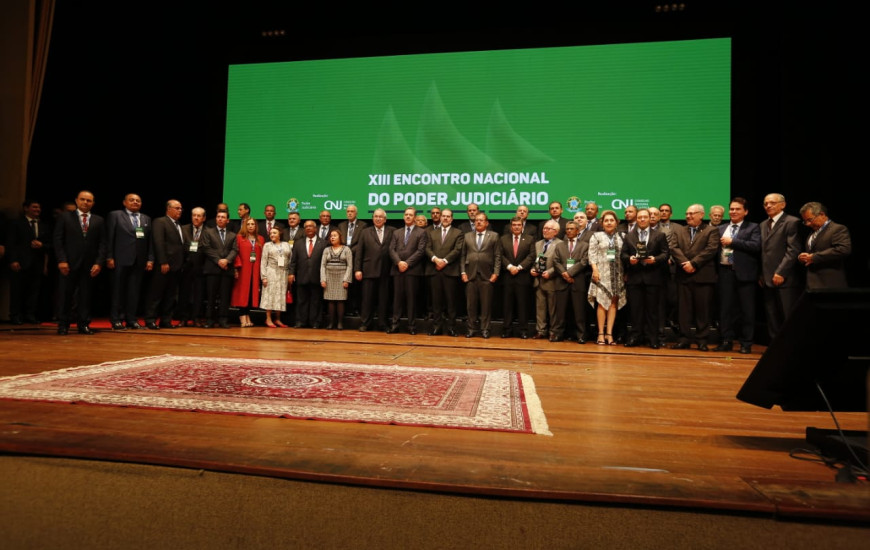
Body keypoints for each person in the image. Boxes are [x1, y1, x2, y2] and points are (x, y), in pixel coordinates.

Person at [53, 190, 106, 335]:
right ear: (76, 200)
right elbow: (58, 240)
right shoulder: (65, 217)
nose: (85, 202)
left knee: (86, 296)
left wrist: (99, 263)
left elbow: (103, 243)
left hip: (89, 264)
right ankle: (63, 325)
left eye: (89, 200)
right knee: (65, 294)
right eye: (82, 199)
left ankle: (83, 324)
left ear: (93, 203)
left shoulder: (99, 220)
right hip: (68, 263)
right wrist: (62, 260)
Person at [669, 204, 720, 351]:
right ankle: (683, 339)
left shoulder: (711, 230)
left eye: (692, 213)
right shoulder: (680, 230)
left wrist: (694, 263)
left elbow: (711, 249)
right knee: (683, 311)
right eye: (687, 213)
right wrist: (685, 263)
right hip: (683, 275)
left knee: (703, 310)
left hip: (703, 276)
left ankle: (702, 340)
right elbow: (673, 247)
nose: (688, 216)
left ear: (701, 215)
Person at [715, 198, 761, 354]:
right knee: (725, 309)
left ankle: (746, 343)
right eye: (731, 209)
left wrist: (733, 241)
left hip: (745, 273)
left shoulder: (753, 227)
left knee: (747, 310)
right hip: (725, 271)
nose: (733, 212)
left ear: (745, 211)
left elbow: (756, 246)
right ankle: (726, 340)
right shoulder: (721, 228)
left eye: (737, 209)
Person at [621, 209, 669, 349]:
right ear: (636, 219)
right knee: (635, 310)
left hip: (653, 277)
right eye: (640, 217)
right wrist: (629, 259)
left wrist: (655, 259)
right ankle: (635, 336)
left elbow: (666, 254)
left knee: (652, 311)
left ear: (650, 218)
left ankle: (652, 338)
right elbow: (623, 255)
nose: (642, 219)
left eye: (645, 217)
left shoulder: (659, 235)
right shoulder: (629, 236)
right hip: (635, 278)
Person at [106, 193, 153, 330]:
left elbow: (149, 241)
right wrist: (109, 257)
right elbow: (109, 237)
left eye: (138, 200)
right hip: (120, 259)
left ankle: (131, 319)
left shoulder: (146, 218)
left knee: (134, 292)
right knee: (118, 291)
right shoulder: (115, 215)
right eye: (131, 200)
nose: (135, 202)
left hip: (139, 261)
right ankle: (116, 319)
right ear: (124, 202)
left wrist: (150, 259)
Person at [760, 193, 803, 339]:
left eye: (772, 203)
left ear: (783, 205)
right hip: (767, 279)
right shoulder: (763, 224)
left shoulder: (792, 222)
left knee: (787, 315)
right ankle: (775, 347)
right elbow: (764, 252)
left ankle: (790, 346)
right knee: (771, 316)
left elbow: (793, 250)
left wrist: (781, 272)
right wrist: (762, 273)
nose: (768, 206)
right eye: (766, 203)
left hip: (785, 279)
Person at [144, 200, 186, 329]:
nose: (180, 210)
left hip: (176, 266)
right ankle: (150, 320)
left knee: (170, 295)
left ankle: (166, 320)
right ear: (168, 209)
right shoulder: (160, 221)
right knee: (156, 294)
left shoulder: (178, 224)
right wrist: (163, 261)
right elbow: (159, 242)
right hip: (164, 265)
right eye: (177, 208)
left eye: (181, 208)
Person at [7, 200, 51, 325]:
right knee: (17, 290)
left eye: (39, 207)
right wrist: (13, 260)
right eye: (34, 207)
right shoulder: (17, 223)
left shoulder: (43, 225)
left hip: (37, 263)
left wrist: (42, 245)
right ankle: (15, 315)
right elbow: (11, 243)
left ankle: (30, 315)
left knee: (33, 291)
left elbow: (50, 244)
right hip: (20, 262)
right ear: (26, 208)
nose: (37, 209)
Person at [587, 210, 625, 345]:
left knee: (614, 303)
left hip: (618, 275)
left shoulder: (622, 236)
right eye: (606, 220)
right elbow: (592, 255)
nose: (609, 223)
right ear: (602, 223)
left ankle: (609, 333)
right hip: (601, 274)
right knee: (602, 303)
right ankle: (600, 334)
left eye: (611, 220)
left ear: (616, 223)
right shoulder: (596, 236)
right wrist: (595, 270)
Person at [387, 207, 427, 334]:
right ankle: (395, 324)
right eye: (406, 214)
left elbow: (421, 251)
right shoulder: (396, 232)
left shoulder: (421, 232)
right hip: (397, 269)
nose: (408, 216)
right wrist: (399, 262)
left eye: (410, 215)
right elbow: (391, 249)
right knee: (397, 299)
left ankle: (411, 326)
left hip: (412, 270)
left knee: (411, 299)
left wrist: (407, 263)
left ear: (415, 217)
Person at [461, 212, 501, 339]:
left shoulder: (494, 236)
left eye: (481, 220)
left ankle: (485, 329)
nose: (478, 222)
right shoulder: (467, 236)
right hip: (470, 275)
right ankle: (471, 329)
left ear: (486, 223)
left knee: (486, 305)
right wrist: (463, 272)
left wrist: (496, 273)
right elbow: (462, 255)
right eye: (476, 220)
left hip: (487, 275)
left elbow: (497, 256)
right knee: (470, 305)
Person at [354, 208, 395, 332]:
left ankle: (383, 323)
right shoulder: (365, 232)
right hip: (368, 270)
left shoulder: (392, 231)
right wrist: (357, 269)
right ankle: (365, 323)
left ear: (385, 219)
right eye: (375, 216)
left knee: (384, 300)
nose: (378, 218)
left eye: (380, 217)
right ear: (372, 219)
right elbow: (359, 252)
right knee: (367, 299)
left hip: (386, 271)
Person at [425, 208, 463, 336]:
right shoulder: (431, 233)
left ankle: (451, 327)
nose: (445, 218)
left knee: (451, 302)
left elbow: (457, 250)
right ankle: (437, 327)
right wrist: (436, 260)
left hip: (450, 271)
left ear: (452, 219)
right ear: (440, 218)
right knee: (436, 302)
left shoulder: (458, 233)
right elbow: (427, 248)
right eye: (443, 216)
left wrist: (445, 261)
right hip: (434, 270)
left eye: (448, 216)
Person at [798, 202, 851, 290]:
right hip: (812, 284)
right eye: (805, 221)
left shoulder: (837, 229)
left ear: (822, 214)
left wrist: (814, 257)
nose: (807, 224)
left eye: (810, 220)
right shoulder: (812, 233)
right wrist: (803, 258)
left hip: (830, 284)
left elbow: (843, 249)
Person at [498, 216, 536, 338]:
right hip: (507, 276)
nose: (516, 227)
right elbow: (500, 255)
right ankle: (507, 330)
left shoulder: (530, 239)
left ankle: (523, 330)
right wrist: (510, 267)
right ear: (510, 226)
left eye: (518, 225)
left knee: (523, 305)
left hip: (522, 276)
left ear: (522, 226)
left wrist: (519, 267)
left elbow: (531, 256)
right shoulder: (503, 239)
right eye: (514, 225)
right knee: (507, 305)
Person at [553, 221, 591, 343]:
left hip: (577, 281)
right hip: (561, 281)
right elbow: (555, 261)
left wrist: (569, 273)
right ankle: (558, 334)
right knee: (560, 311)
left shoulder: (585, 245)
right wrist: (564, 274)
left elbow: (584, 262)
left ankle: (581, 335)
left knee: (579, 311)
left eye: (572, 229)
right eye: (567, 229)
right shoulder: (559, 245)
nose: (569, 231)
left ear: (577, 231)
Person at [200, 211, 238, 328]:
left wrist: (226, 260)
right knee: (211, 296)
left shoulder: (233, 235)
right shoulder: (208, 232)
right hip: (212, 269)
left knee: (225, 297)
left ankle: (223, 320)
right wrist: (219, 261)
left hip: (227, 269)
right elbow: (206, 248)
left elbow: (235, 250)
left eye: (223, 217)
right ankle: (210, 320)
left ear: (228, 220)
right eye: (218, 217)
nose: (220, 219)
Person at [289, 220, 327, 328]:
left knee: (316, 301)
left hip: (317, 276)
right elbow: (293, 260)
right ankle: (300, 321)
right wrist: (291, 273)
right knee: (301, 300)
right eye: (306, 227)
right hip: (302, 275)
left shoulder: (323, 243)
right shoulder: (298, 243)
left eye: (311, 226)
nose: (308, 228)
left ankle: (315, 322)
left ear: (316, 229)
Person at [530, 220, 564, 340]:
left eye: (548, 229)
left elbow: (561, 263)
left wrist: (550, 272)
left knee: (553, 309)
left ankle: (553, 331)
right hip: (538, 281)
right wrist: (533, 269)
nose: (545, 230)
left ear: (556, 231)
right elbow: (535, 260)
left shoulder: (561, 244)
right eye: (544, 228)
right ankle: (541, 330)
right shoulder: (538, 244)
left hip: (552, 281)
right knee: (540, 308)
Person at [232, 217, 264, 327]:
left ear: (256, 226)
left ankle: (247, 315)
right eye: (248, 224)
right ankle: (242, 316)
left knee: (251, 293)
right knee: (242, 294)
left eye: (253, 224)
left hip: (255, 271)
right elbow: (235, 253)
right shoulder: (239, 238)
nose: (250, 226)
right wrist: (236, 267)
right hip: (243, 270)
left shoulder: (260, 239)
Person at [179, 207, 207, 327]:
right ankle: (183, 318)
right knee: (184, 294)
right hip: (185, 267)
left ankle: (196, 318)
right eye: (194, 215)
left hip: (201, 267)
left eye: (199, 216)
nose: (196, 218)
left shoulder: (208, 231)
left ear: (204, 218)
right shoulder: (183, 229)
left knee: (199, 295)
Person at [259, 227, 292, 328]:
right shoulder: (267, 245)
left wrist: (290, 273)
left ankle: (278, 319)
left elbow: (290, 259)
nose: (272, 235)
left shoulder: (286, 244)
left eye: (274, 233)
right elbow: (263, 262)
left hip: (283, 273)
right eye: (271, 233)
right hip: (271, 272)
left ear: (279, 234)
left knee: (280, 296)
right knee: (270, 295)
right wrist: (264, 277)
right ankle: (268, 319)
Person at [320, 229, 353, 330]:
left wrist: (346, 279)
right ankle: (331, 323)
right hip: (329, 277)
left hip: (342, 277)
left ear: (340, 237)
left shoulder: (346, 249)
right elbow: (322, 265)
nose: (332, 237)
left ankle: (340, 323)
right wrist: (323, 279)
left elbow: (350, 265)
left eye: (335, 235)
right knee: (330, 300)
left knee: (340, 300)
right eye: (331, 236)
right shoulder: (326, 250)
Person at [337, 204, 367, 315]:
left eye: (352, 211)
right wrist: (344, 251)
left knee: (356, 287)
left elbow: (362, 243)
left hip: (356, 258)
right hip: (342, 260)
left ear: (356, 213)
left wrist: (349, 250)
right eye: (348, 211)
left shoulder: (363, 225)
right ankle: (346, 309)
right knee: (344, 285)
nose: (349, 213)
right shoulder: (341, 225)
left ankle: (356, 308)